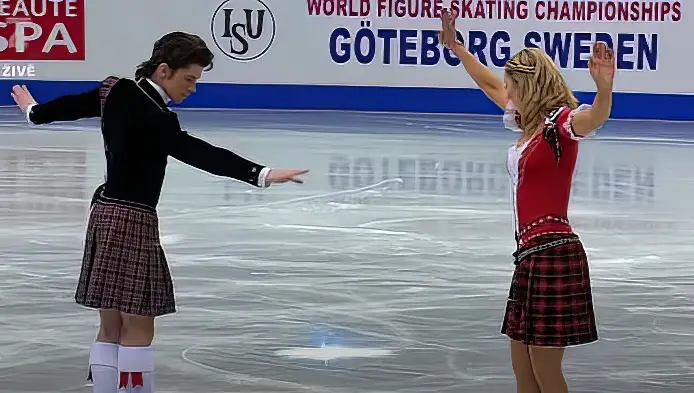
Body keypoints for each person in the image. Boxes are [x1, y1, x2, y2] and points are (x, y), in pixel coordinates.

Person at [11, 31, 308, 393]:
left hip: (104, 212)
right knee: (138, 326)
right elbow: (199, 153)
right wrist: (260, 173)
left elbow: (68, 107)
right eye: (190, 79)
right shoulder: (157, 118)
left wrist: (33, 111)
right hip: (133, 220)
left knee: (111, 324)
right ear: (164, 70)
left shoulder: (114, 90)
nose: (193, 88)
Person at [439, 9, 614, 393]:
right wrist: (455, 46)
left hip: (555, 254)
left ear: (527, 86)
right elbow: (485, 81)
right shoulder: (528, 123)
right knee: (522, 368)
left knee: (545, 371)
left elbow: (594, 118)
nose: (507, 92)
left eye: (512, 85)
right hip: (529, 256)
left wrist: (603, 91)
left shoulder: (561, 125)